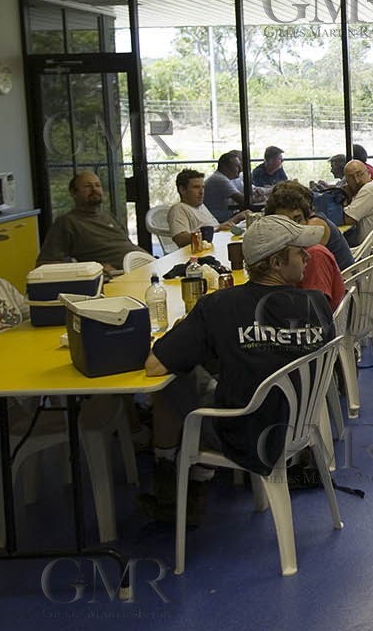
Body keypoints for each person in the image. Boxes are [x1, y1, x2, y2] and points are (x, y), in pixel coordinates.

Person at [140, 215, 336, 523]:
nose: (308, 257)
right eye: (300, 252)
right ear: (276, 262)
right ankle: (198, 476)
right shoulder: (316, 303)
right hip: (299, 425)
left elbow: (154, 367)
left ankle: (172, 474)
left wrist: (190, 334)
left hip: (245, 432)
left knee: (176, 376)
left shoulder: (219, 306)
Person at [35, 171, 142, 270]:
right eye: (87, 186)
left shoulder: (108, 216)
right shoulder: (67, 222)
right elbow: (44, 264)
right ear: (73, 193)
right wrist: (92, 268)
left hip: (141, 266)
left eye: (97, 185)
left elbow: (126, 245)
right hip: (118, 276)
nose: (94, 189)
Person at [264, 191, 345, 311]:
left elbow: (316, 311)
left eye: (298, 219)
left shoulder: (313, 254)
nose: (294, 227)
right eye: (286, 223)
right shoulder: (290, 253)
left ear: (307, 219)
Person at [267, 180, 354, 271]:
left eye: (297, 218)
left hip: (344, 278)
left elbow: (294, 263)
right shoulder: (311, 219)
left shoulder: (315, 225)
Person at [167, 168, 240, 248]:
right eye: (196, 187)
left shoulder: (200, 205)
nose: (201, 192)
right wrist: (211, 232)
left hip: (216, 245)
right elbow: (180, 239)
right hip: (201, 254)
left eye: (203, 187)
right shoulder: (179, 209)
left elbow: (216, 228)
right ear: (182, 190)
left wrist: (238, 218)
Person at [204, 151, 246, 223]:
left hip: (223, 217)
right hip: (218, 220)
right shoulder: (219, 179)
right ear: (225, 167)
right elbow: (243, 200)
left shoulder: (226, 178)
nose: (241, 169)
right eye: (237, 166)